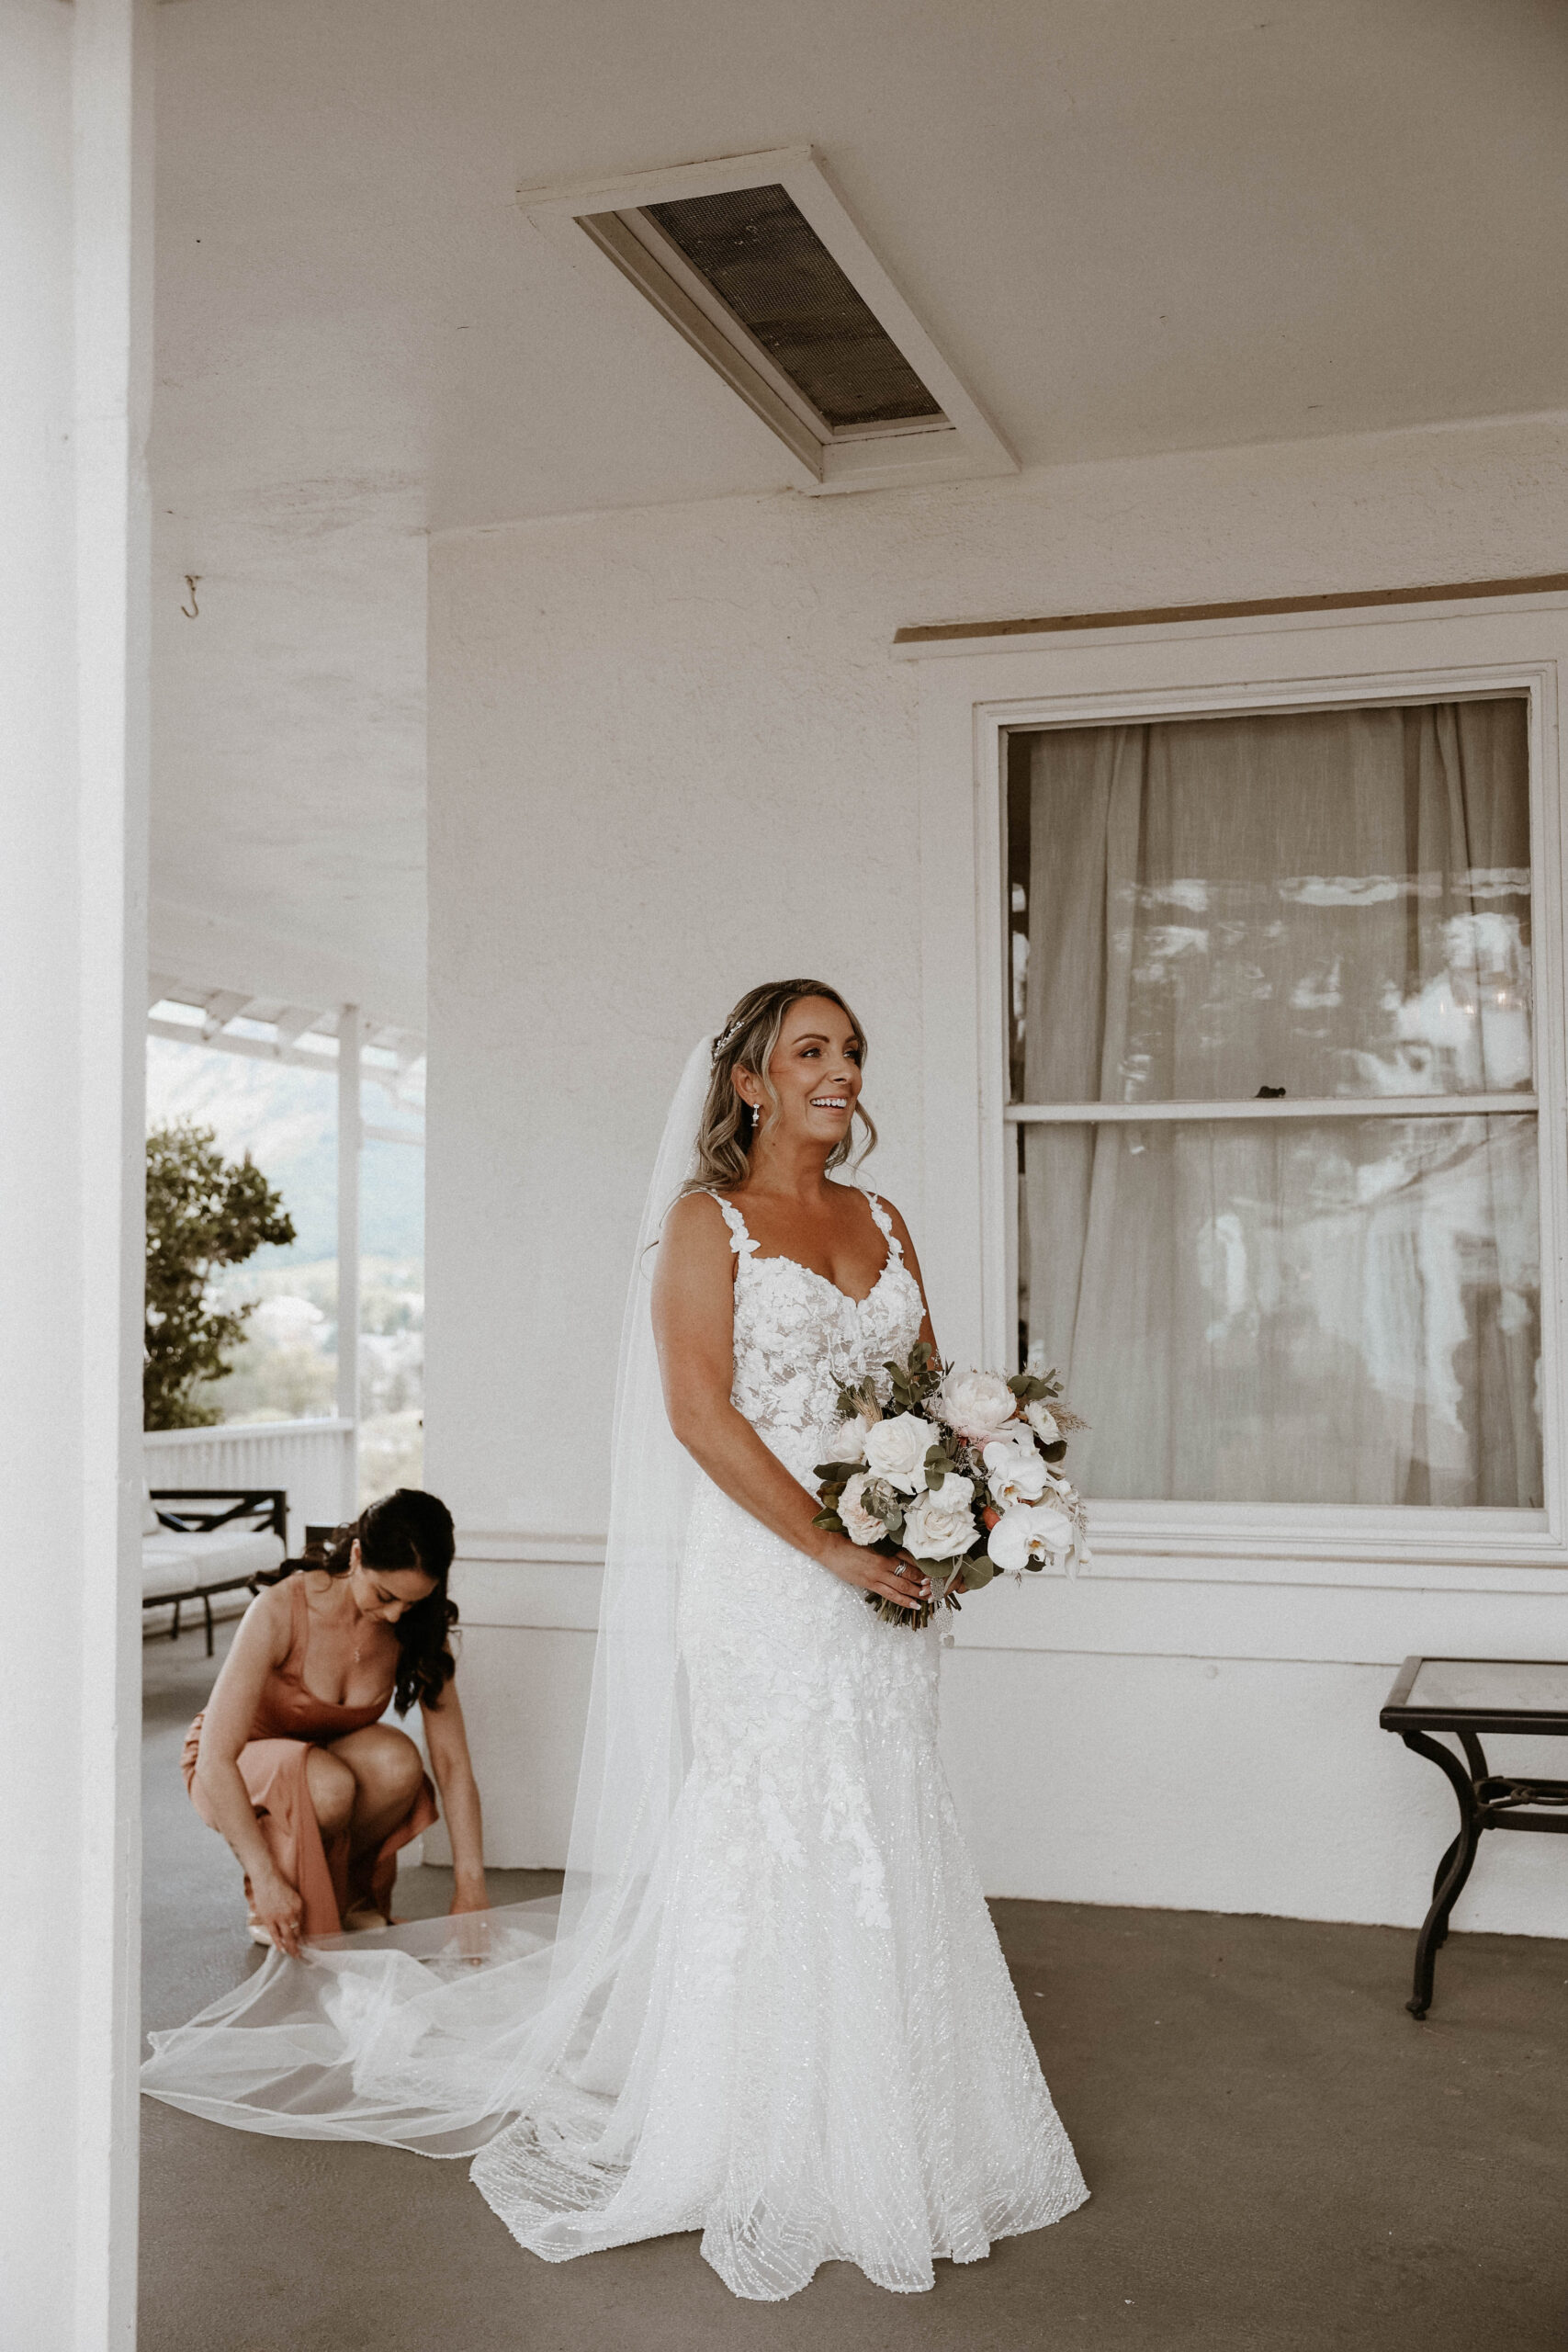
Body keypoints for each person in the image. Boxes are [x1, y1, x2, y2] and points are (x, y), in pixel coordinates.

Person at [143, 983, 1086, 2302]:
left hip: (883, 1574)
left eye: (852, 1050)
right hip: (768, 1576)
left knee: (887, 1805)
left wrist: (954, 1518)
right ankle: (754, 2124)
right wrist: (825, 1544)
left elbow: (922, 1396)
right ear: (749, 1080)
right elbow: (699, 1416)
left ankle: (909, 2117)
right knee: (780, 1813)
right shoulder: (705, 1226)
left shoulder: (884, 1220)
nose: (840, 1069)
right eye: (809, 1050)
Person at [183, 1488, 488, 1949]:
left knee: (397, 1762)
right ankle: (272, 1894)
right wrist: (264, 1880)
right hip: (232, 1764)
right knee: (327, 1786)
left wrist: (471, 1889)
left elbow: (452, 1763)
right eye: (385, 1595)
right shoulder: (280, 1610)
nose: (394, 1614)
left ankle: (338, 1895)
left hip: (320, 1760)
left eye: (411, 1603)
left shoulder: (414, 1624)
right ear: (358, 1554)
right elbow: (215, 1759)